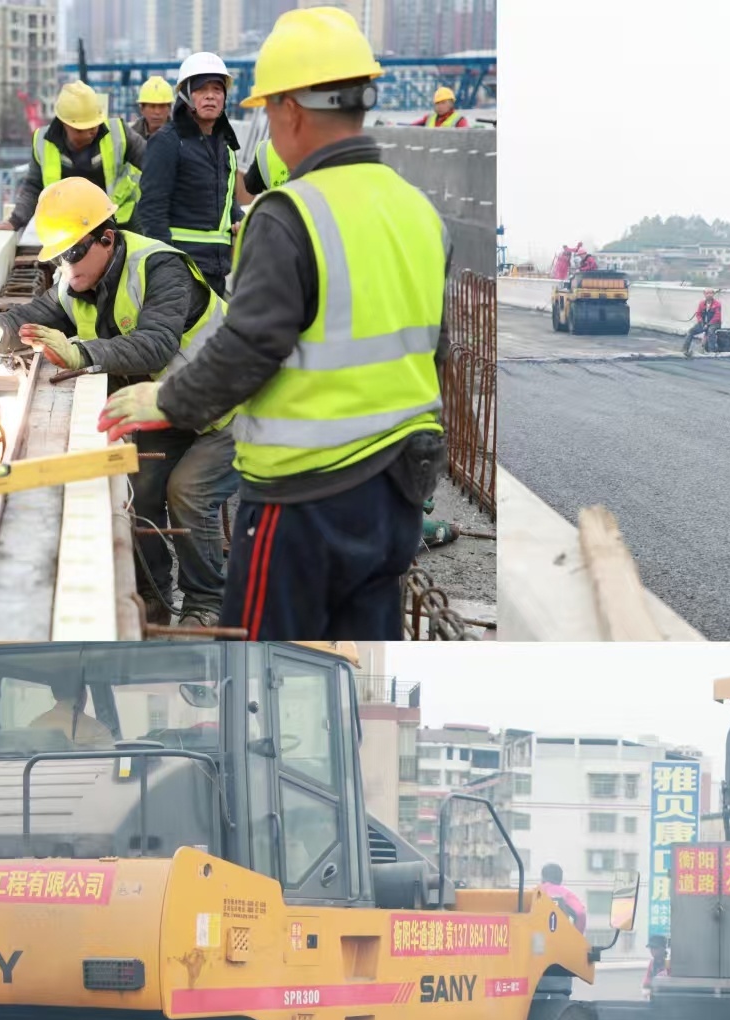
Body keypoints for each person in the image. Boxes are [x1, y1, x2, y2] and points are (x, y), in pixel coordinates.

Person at [96, 6, 449, 642]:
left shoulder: (289, 214)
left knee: (259, 660)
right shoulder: (419, 212)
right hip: (400, 487)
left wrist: (164, 398)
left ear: (289, 109)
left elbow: (249, 348)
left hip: (305, 495)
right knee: (359, 644)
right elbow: (435, 352)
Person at [0, 178, 235, 628]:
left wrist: (81, 354)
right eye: (59, 256)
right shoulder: (75, 282)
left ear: (106, 238)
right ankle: (150, 597)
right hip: (171, 409)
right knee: (136, 490)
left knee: (187, 491)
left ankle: (206, 603)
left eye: (73, 252)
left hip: (233, 409)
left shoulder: (160, 268)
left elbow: (157, 345)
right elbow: (30, 315)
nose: (66, 266)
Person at [137, 52, 242, 295]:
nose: (210, 96)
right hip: (181, 271)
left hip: (217, 270)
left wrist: (239, 217)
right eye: (201, 89)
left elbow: (227, 200)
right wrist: (166, 266)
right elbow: (152, 210)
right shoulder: (167, 142)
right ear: (185, 95)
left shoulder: (225, 146)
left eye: (217, 89)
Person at [0, 82, 145, 236]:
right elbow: (34, 187)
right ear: (64, 124)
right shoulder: (43, 142)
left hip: (120, 225)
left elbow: (152, 165)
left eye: (94, 126)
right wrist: (14, 221)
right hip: (67, 230)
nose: (91, 132)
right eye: (81, 130)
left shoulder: (118, 134)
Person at [22, 674, 115, 747]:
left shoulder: (35, 726)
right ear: (83, 693)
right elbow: (110, 761)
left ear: (55, 694)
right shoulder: (97, 730)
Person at [538, 863, 587, 932]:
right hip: (559, 935)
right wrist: (577, 934)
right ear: (560, 878)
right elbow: (580, 913)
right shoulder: (566, 894)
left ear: (543, 877)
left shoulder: (533, 892)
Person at [131, 75, 176, 144]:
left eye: (162, 106)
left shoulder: (181, 135)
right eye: (152, 106)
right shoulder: (131, 136)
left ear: (169, 109)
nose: (157, 112)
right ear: (142, 109)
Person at [682, 289, 722, 357]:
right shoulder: (701, 303)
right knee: (691, 331)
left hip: (715, 323)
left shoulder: (717, 304)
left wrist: (708, 324)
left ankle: (711, 351)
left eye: (711, 293)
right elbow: (698, 314)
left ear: (713, 294)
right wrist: (701, 321)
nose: (709, 295)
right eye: (707, 293)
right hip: (703, 323)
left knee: (710, 331)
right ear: (704, 294)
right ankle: (684, 350)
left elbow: (717, 316)